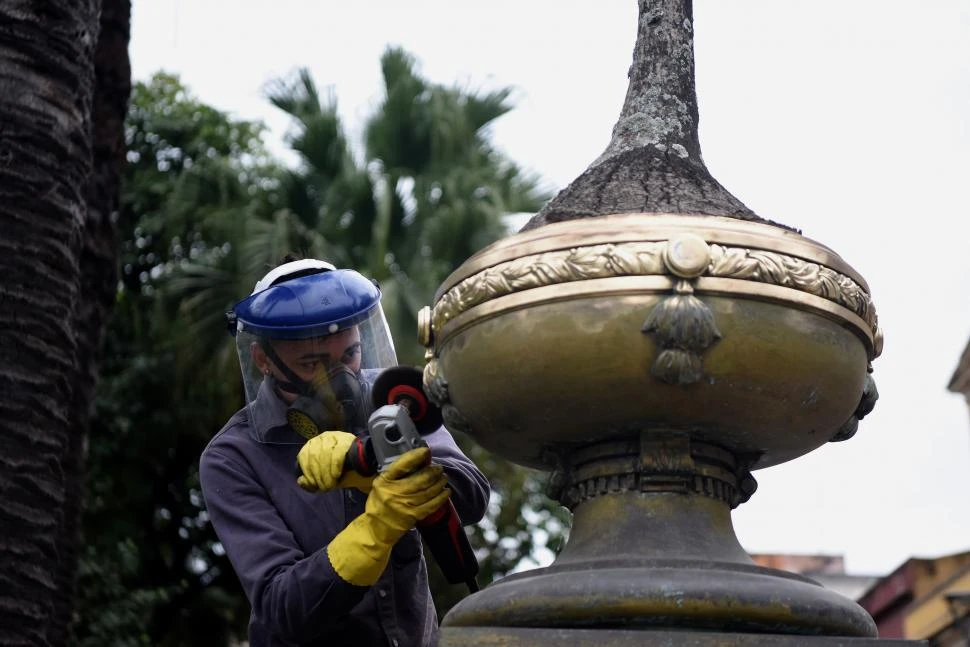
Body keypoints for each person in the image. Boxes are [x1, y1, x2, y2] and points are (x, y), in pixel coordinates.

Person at [200, 258, 490, 646]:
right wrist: (373, 532)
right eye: (311, 363)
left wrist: (377, 462)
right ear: (263, 359)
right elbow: (281, 610)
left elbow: (472, 496)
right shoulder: (233, 456)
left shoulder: (389, 398)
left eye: (349, 355)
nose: (340, 378)